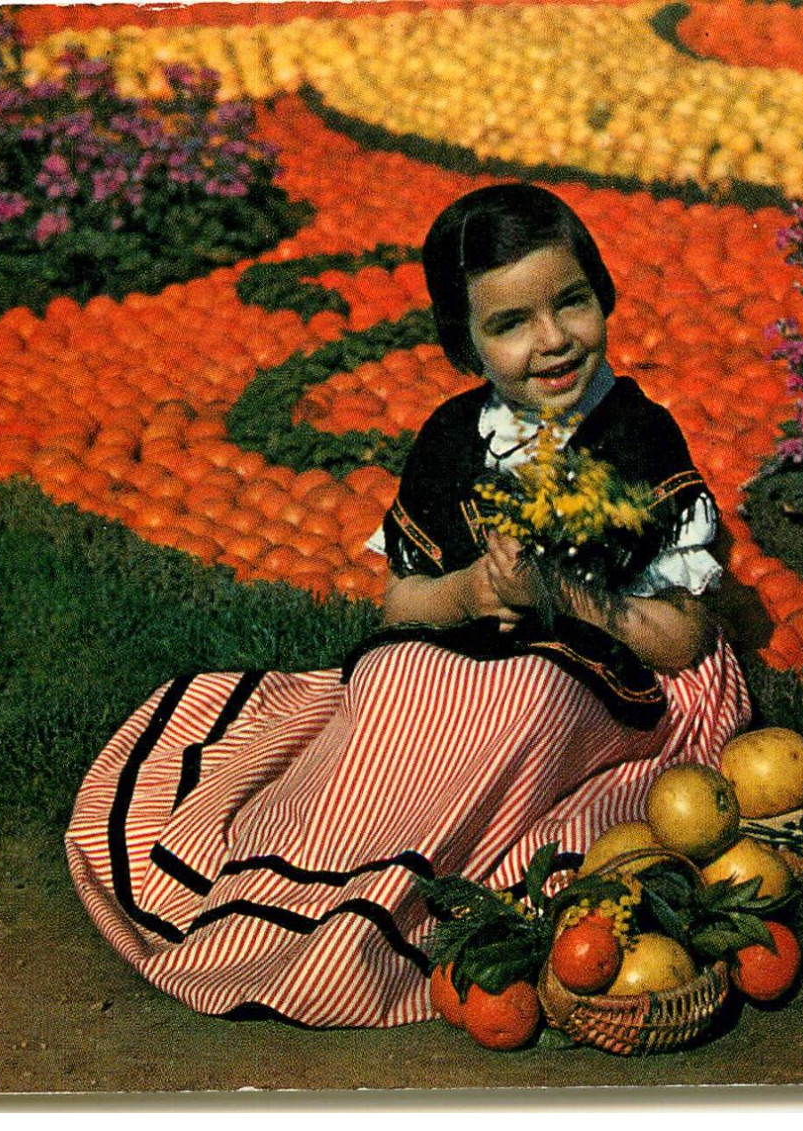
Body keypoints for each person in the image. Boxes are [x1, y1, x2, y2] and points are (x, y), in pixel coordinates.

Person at [65, 183, 751, 1028]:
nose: (551, 341)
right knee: (390, 682)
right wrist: (470, 590)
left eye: (569, 303)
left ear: (601, 295)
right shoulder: (452, 440)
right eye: (509, 324)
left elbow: (682, 641)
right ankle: (297, 878)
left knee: (523, 701)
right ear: (466, 344)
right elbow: (403, 604)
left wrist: (561, 596)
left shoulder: (639, 436)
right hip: (455, 662)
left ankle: (380, 916)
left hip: (602, 678)